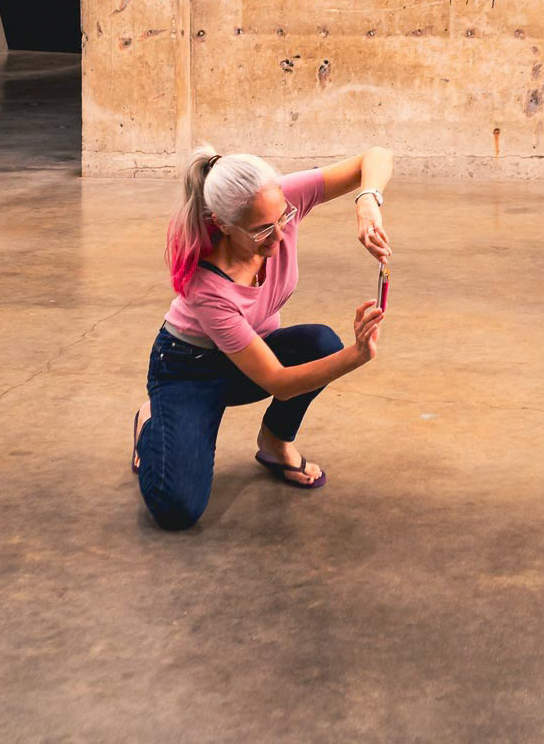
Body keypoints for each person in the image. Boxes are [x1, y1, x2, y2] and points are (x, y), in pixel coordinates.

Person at [132, 143, 393, 530]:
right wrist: (356, 355)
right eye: (262, 230)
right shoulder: (207, 285)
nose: (280, 234)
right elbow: (277, 382)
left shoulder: (278, 200)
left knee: (319, 344)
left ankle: (274, 443)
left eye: (283, 218)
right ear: (222, 224)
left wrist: (367, 200)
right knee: (177, 510)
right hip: (189, 369)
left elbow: (375, 155)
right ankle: (153, 420)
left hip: (250, 354)